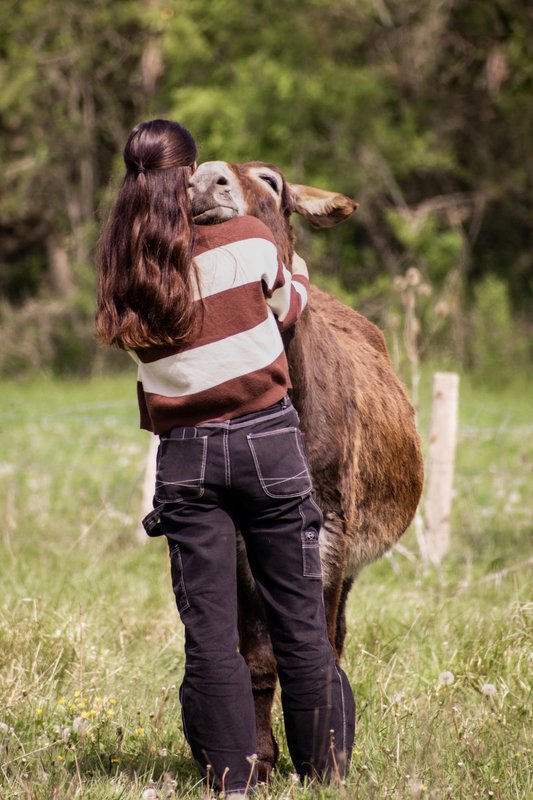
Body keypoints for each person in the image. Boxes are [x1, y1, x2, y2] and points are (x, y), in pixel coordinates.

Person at [96, 119, 355, 798]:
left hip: (183, 460)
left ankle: (231, 779)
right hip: (267, 443)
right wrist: (293, 266)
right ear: (190, 178)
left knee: (209, 632)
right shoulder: (247, 240)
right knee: (300, 620)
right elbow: (290, 308)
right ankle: (324, 771)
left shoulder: (127, 271)